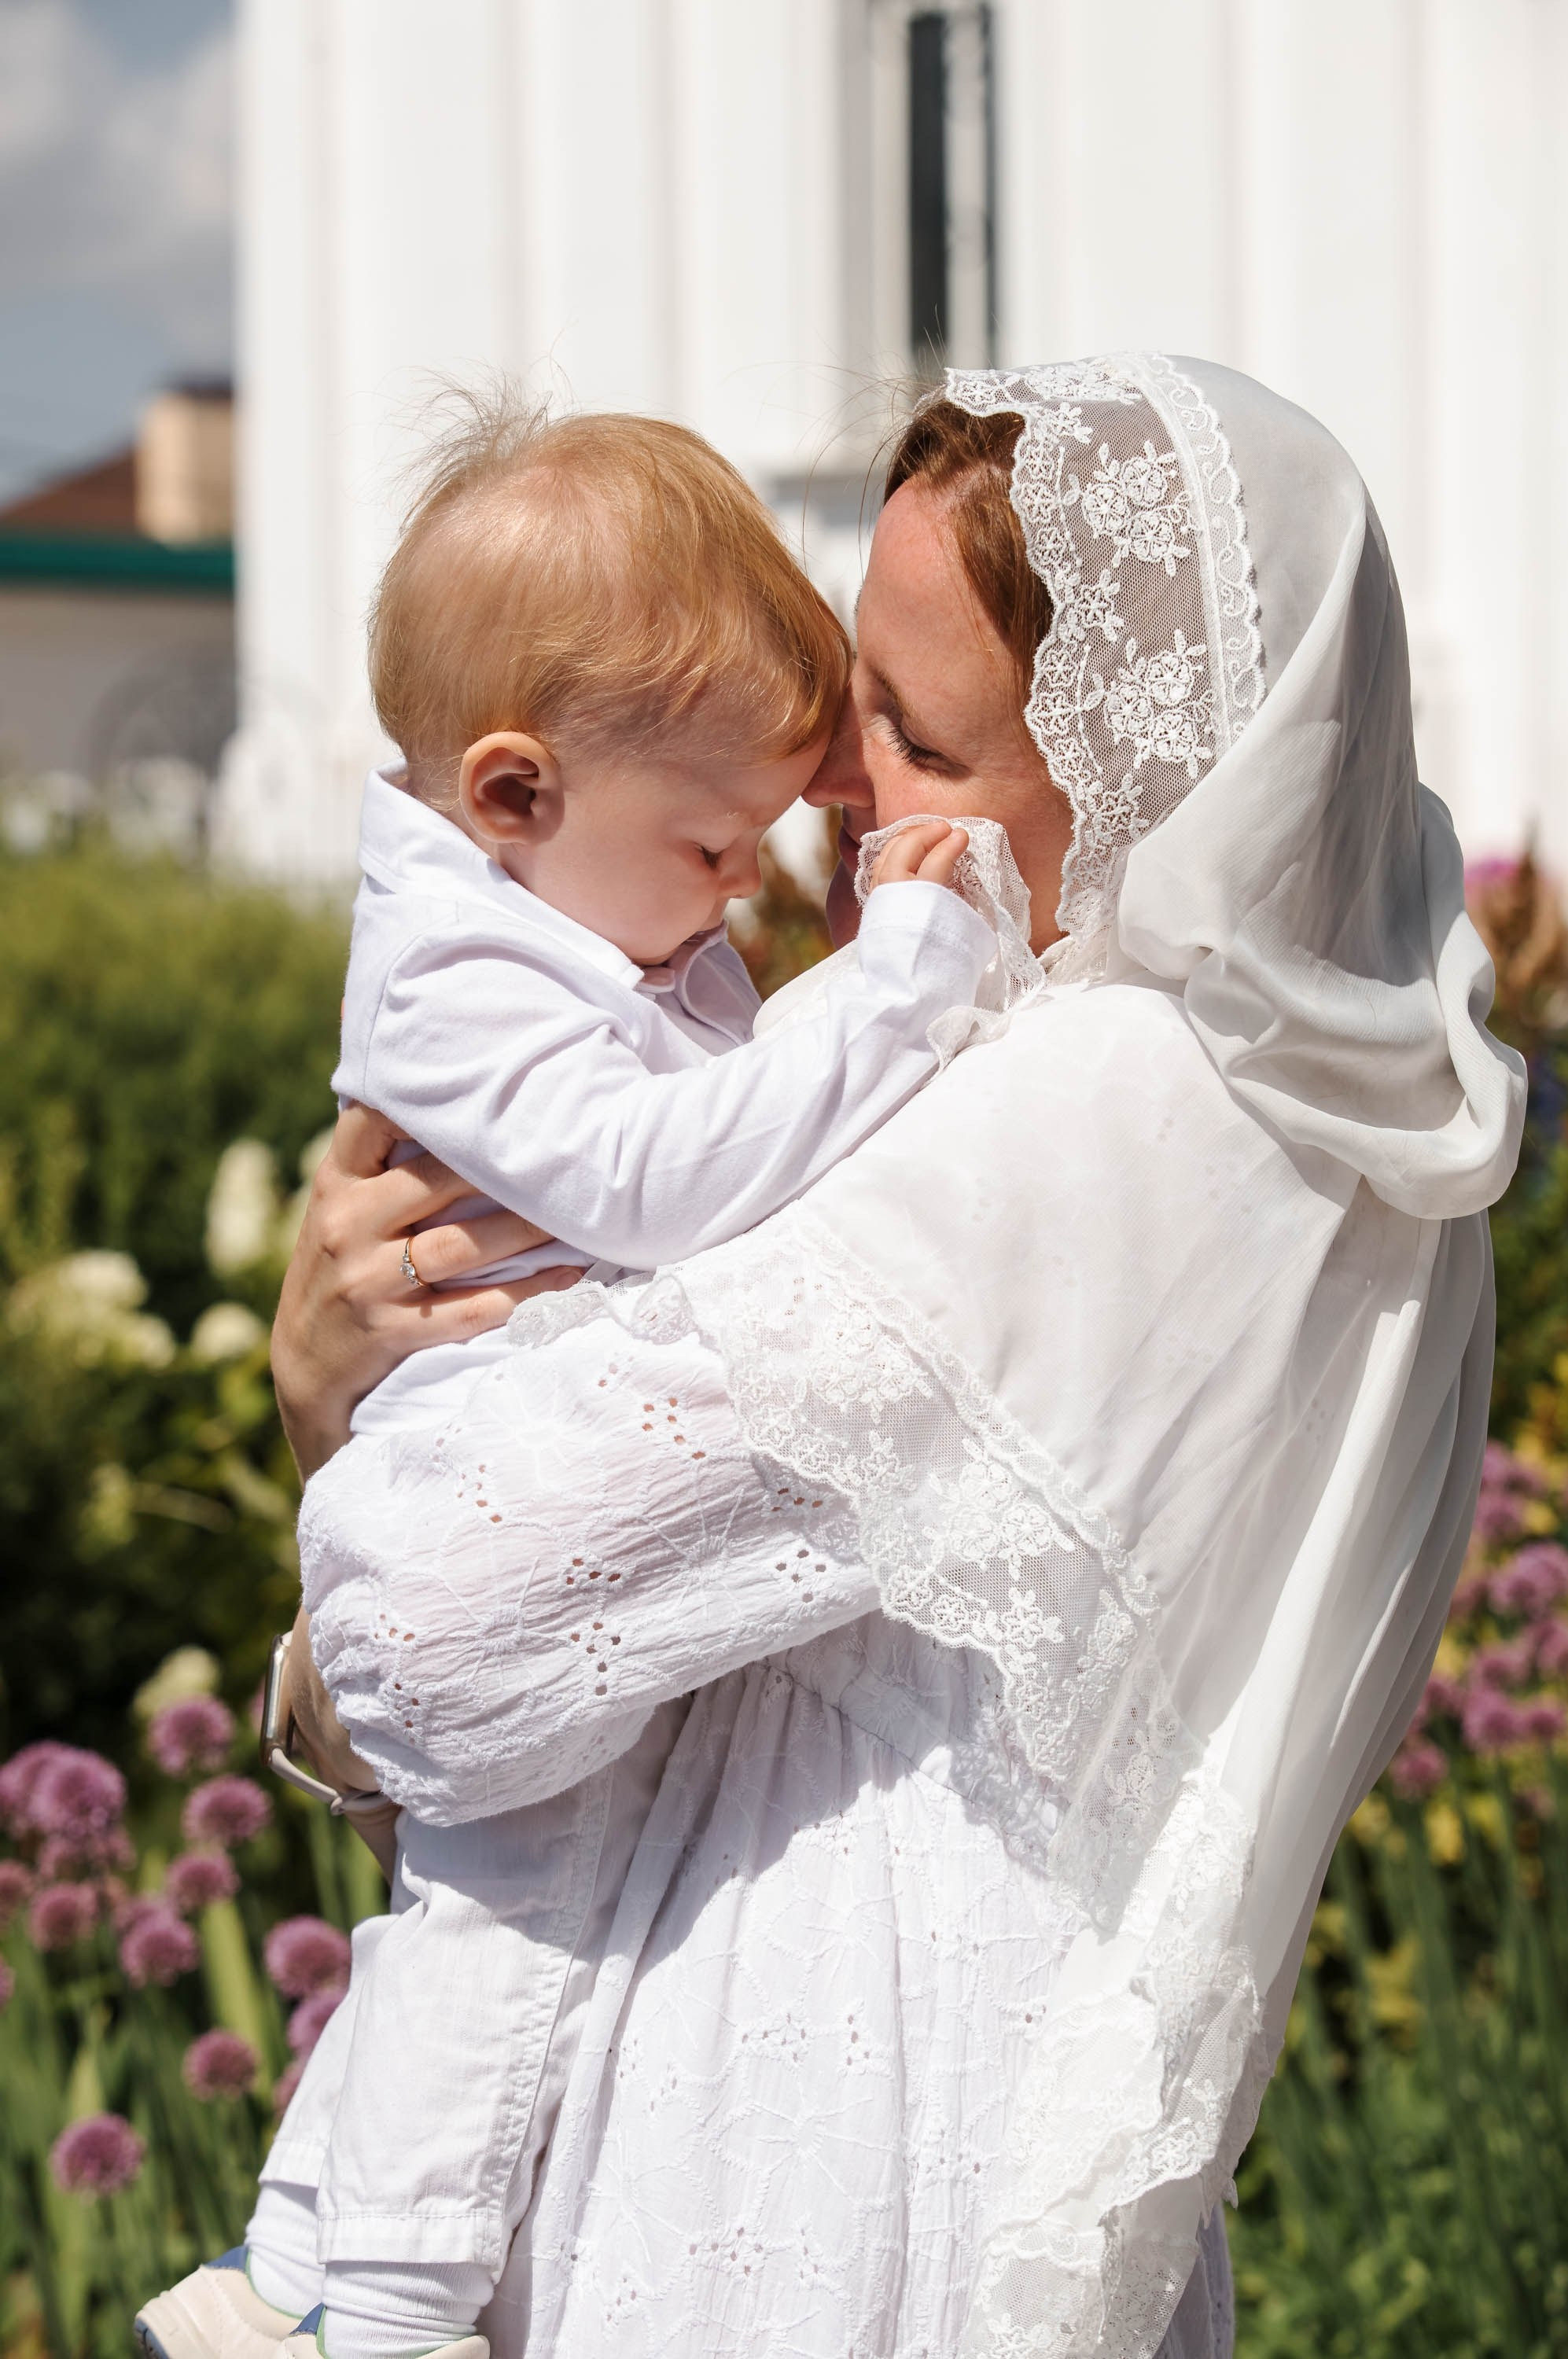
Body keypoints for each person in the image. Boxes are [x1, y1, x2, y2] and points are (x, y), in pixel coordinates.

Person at [193, 357, 1531, 2359]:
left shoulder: (1104, 1117)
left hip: (798, 2165)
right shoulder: (1281, 1100)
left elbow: (437, 1642)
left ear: (1146, 782)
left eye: (910, 731)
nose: (825, 780)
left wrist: (333, 1433)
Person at [137, 405, 1018, 2359]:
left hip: (499, 1468)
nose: (743, 885)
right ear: (514, 786)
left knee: (470, 1911)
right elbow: (666, 1182)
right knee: (509, 1913)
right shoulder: (458, 977)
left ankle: (286, 2264)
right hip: (465, 1483)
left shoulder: (565, 892)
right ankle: (379, 2311)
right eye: (715, 844)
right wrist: (901, 977)